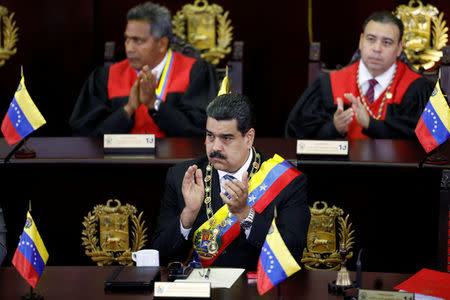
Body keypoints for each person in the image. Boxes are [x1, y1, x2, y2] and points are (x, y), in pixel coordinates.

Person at [151, 93, 310, 270]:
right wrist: (187, 217)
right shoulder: (182, 176)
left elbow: (292, 253)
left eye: (226, 138)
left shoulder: (285, 181)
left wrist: (245, 215)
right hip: (199, 290)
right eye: (210, 136)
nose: (215, 147)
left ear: (248, 138)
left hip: (255, 290)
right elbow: (159, 255)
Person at [70, 2, 218, 137]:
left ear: (161, 44)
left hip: (178, 164)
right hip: (118, 164)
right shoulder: (105, 76)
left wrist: (155, 104)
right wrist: (128, 109)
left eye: (138, 40)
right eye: (127, 39)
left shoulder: (196, 72)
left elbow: (201, 132)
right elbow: (85, 135)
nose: (129, 48)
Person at [285, 12, 433, 139]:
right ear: (361, 41)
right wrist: (333, 128)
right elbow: (296, 135)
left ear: (399, 48)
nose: (377, 48)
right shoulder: (329, 84)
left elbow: (426, 141)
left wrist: (371, 125)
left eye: (386, 42)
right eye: (371, 39)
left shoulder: (417, 88)